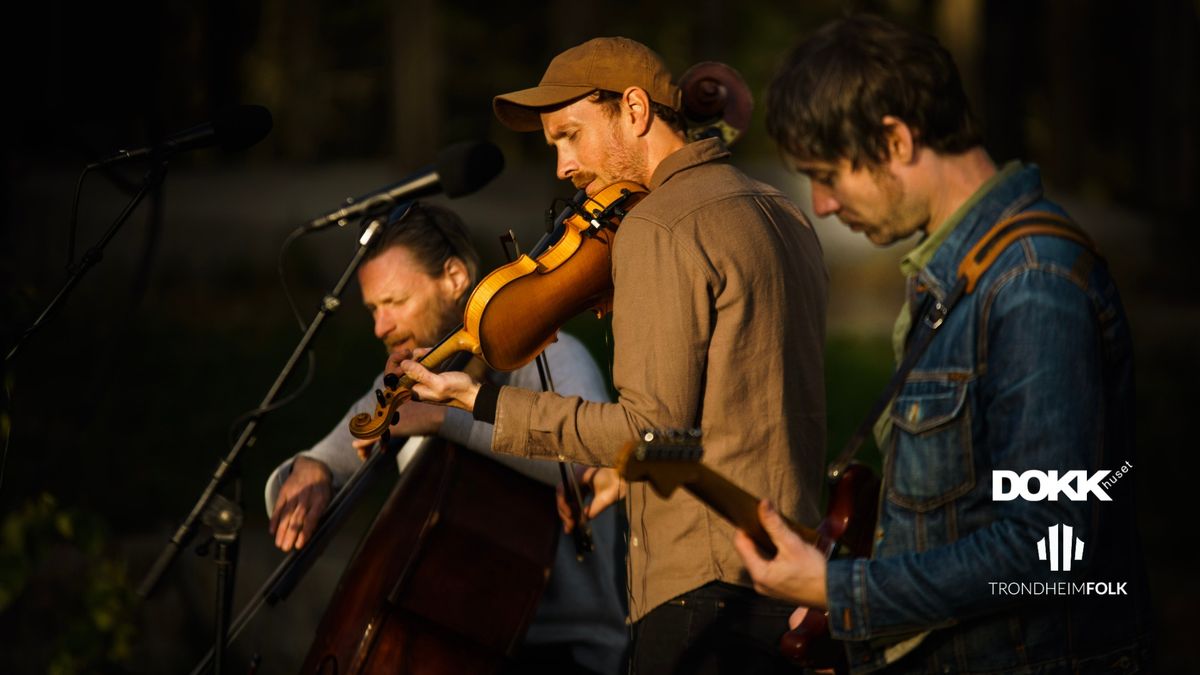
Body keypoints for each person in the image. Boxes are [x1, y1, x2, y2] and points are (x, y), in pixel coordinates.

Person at [393, 37, 829, 673]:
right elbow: (731, 417)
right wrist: (631, 472)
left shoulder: (658, 225)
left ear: (634, 109)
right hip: (792, 585)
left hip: (700, 600)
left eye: (571, 135)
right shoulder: (784, 213)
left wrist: (477, 399)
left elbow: (643, 426)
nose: (564, 167)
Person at [735, 14, 1154, 673]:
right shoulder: (959, 274)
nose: (819, 204)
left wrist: (839, 591)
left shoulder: (1032, 282)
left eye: (827, 175)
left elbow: (1050, 545)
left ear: (895, 140)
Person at [264, 203, 628, 674]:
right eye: (374, 310)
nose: (380, 327)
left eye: (394, 303)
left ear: (454, 277)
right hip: (456, 644)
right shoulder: (410, 381)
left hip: (568, 651)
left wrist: (444, 420)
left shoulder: (554, 356)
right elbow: (345, 442)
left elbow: (589, 458)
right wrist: (311, 468)